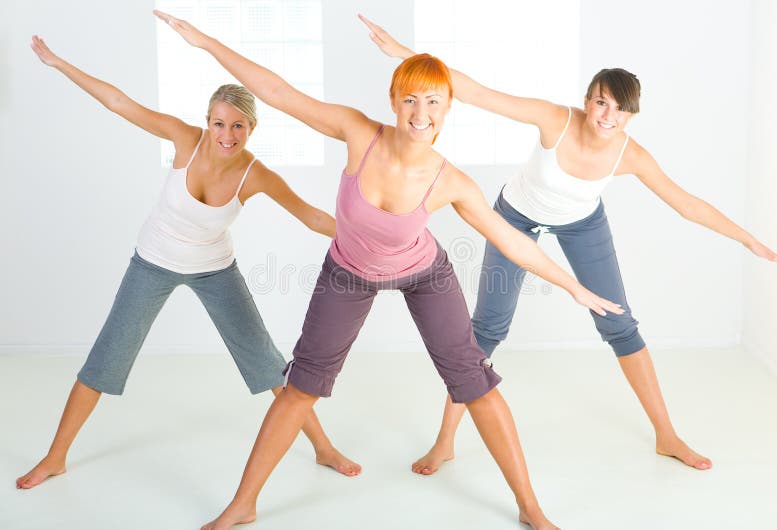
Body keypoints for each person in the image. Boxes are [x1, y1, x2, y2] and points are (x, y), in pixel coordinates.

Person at [154, 10, 627, 530]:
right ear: (393, 102)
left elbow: (511, 239)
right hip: (349, 271)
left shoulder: (450, 180)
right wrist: (204, 43)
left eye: (433, 103)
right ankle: (243, 504)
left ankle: (531, 508)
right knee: (302, 385)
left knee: (474, 380)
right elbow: (277, 92)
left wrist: (573, 286)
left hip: (424, 273)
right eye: (409, 100)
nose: (420, 113)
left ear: (447, 110)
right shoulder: (359, 134)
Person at [358, 15, 777, 474]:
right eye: (601, 103)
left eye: (619, 110)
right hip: (515, 219)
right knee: (485, 331)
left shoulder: (631, 155)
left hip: (582, 224)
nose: (607, 116)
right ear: (588, 101)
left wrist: (748, 239)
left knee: (620, 324)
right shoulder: (555, 120)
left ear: (630, 116)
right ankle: (445, 443)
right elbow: (478, 92)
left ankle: (667, 435)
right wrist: (406, 54)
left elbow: (686, 204)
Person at [16, 35, 361, 491]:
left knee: (267, 361)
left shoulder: (255, 174)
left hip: (215, 270)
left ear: (252, 129)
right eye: (219, 124)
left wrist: (375, 234)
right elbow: (120, 103)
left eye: (238, 127)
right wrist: (60, 62)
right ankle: (55, 456)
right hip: (152, 263)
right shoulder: (184, 140)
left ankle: (323, 447)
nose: (226, 135)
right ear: (207, 122)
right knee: (106, 357)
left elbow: (312, 216)